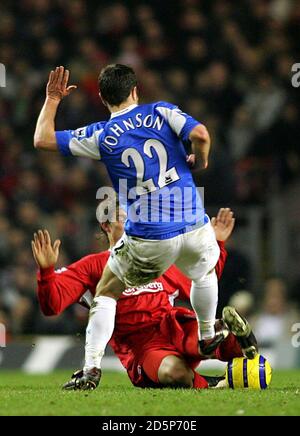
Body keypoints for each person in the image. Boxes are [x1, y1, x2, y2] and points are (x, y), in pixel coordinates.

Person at [34, 65, 237, 388]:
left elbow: (42, 139)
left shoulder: (102, 134)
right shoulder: (162, 111)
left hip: (150, 236)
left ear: (102, 98)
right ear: (135, 90)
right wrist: (202, 159)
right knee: (205, 272)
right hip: (193, 225)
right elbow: (200, 135)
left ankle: (91, 368)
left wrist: (53, 99)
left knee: (107, 291)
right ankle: (208, 335)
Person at [32, 207, 258, 390]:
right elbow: (52, 305)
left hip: (172, 324)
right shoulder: (93, 265)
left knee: (209, 339)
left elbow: (201, 279)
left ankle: (243, 347)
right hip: (141, 346)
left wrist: (217, 243)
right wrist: (46, 272)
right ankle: (217, 381)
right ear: (106, 225)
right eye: (124, 217)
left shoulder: (158, 256)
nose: (134, 222)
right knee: (175, 373)